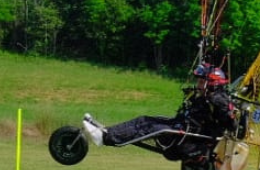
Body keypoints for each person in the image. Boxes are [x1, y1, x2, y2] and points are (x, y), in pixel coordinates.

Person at [83, 63, 236, 158]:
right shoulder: (207, 96)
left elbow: (228, 122)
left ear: (213, 83)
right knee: (143, 120)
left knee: (151, 128)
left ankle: (107, 138)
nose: (199, 85)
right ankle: (106, 133)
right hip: (181, 127)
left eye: (202, 82)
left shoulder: (218, 99)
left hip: (188, 138)